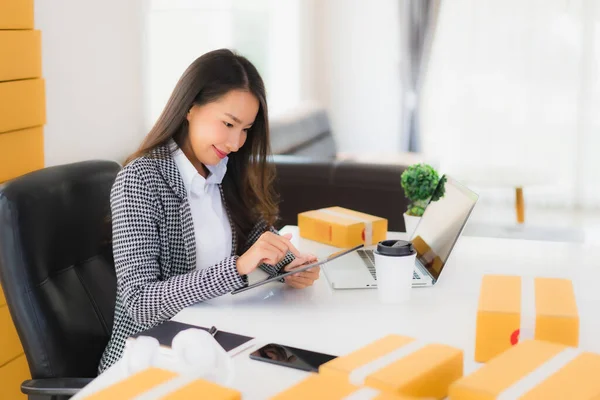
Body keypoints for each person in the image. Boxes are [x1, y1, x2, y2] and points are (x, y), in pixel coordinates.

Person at [99, 49, 320, 372]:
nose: (236, 142)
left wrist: (290, 264)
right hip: (152, 358)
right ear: (190, 107)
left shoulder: (220, 169)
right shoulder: (140, 180)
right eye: (228, 123)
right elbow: (140, 303)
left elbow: (254, 234)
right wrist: (237, 268)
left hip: (217, 339)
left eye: (245, 129)